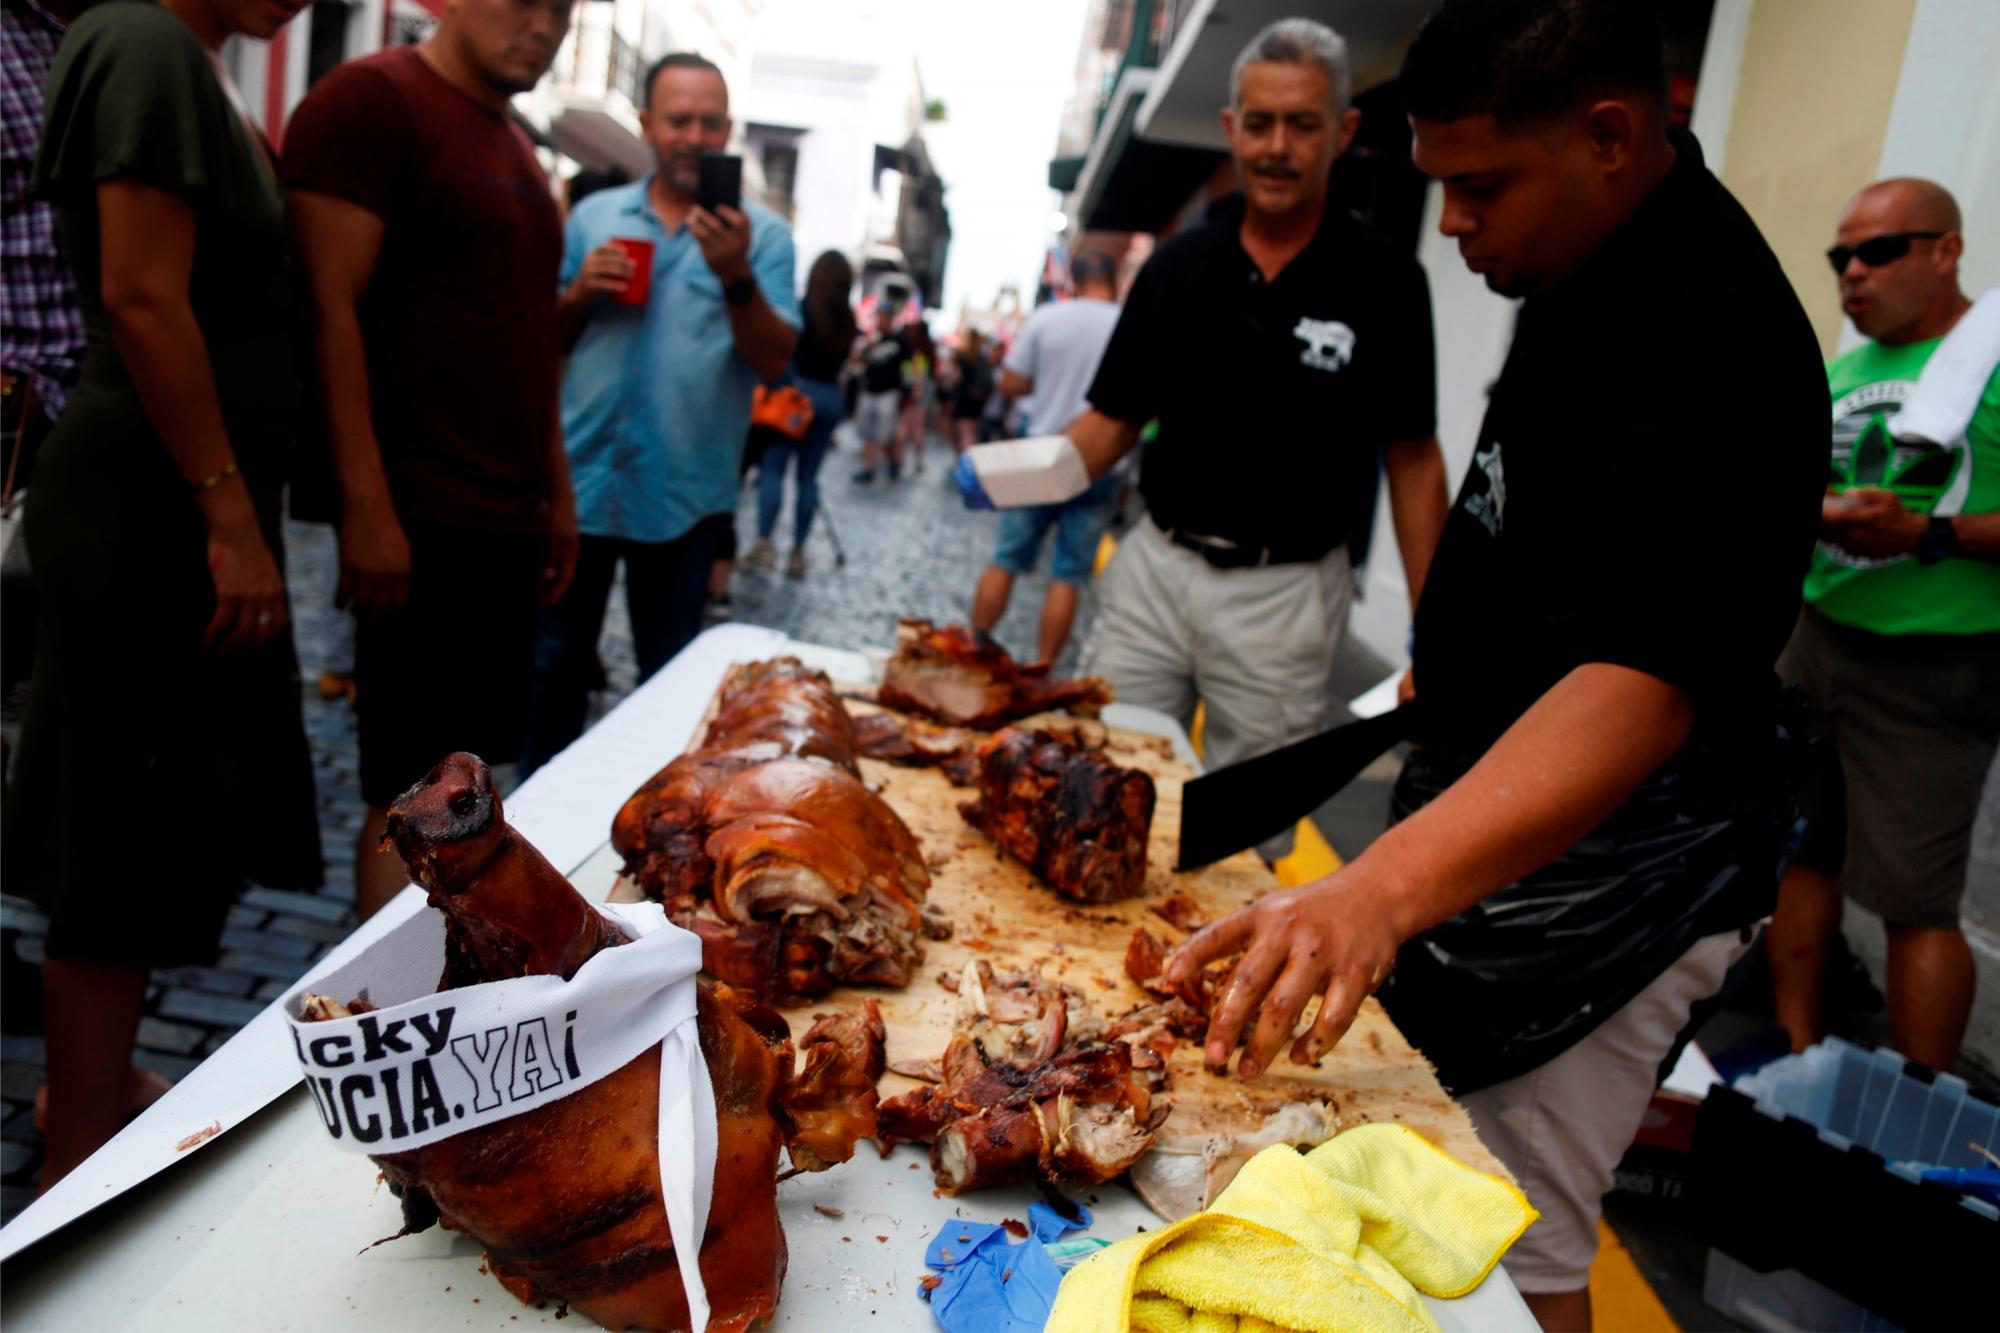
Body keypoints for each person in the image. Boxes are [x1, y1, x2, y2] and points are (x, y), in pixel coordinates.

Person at [1159, 4, 1828, 1327]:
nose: (1453, 224)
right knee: (1417, 1184)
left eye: (1479, 187)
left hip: (1629, 874)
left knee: (1509, 1240)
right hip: (1495, 805)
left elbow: (1643, 682)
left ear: (1609, 135)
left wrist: (1374, 892)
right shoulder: (1579, 258)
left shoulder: (1716, 339)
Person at [960, 17, 1449, 862]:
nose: (1277, 146)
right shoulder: (1179, 266)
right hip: (1155, 571)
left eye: (1302, 124)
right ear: (1231, 128)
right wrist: (1009, 474)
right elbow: (1109, 423)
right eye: (1259, 123)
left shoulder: (1387, 281)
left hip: (1287, 596)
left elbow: (1413, 458)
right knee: (1099, 788)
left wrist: (1437, 627)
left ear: (1344, 130)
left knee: (1244, 835)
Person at [6, 0, 322, 1188]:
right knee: (116, 820)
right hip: (153, 497)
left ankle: (91, 1084)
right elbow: (142, 294)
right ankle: (76, 1137)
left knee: (142, 811)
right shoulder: (139, 39)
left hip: (171, 493)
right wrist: (229, 513)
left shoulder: (177, 58)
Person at [285, 0, 581, 919]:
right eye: (522, 0)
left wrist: (557, 494)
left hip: (503, 515)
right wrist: (363, 502)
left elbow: (528, 340)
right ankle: (382, 1008)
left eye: (562, 9)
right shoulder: (374, 100)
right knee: (409, 789)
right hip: (419, 509)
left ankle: (453, 986)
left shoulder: (518, 147)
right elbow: (326, 309)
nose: (543, 24)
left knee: (474, 780)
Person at [1767, 178, 2000, 1072]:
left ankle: (1921, 1107)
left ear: (1948, 250)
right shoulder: (1848, 366)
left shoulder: (1986, 360)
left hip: (1934, 665)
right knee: (1800, 853)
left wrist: (1930, 532)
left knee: (1913, 899)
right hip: (1818, 636)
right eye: (1840, 257)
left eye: (1880, 251)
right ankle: (1794, 1052)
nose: (1853, 273)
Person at [522, 51, 799, 772]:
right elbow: (542, 342)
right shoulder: (594, 216)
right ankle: (531, 839)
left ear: (729, 130)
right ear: (648, 124)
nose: (694, 136)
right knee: (550, 677)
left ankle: (652, 839)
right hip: (580, 489)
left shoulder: (762, 237)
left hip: (684, 500)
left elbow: (775, 360)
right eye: (679, 120)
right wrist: (579, 294)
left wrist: (735, 276)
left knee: (670, 692)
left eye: (710, 122)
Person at [970, 252, 1126, 662]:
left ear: (1072, 280)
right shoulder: (1128, 324)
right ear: (1114, 280)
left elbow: (1011, 383)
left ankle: (975, 645)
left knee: (1005, 558)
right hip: (1101, 463)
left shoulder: (1049, 318)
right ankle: (1042, 669)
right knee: (1068, 575)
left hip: (1040, 455)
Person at [745, 249, 856, 577]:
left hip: (797, 395)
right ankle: (798, 551)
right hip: (829, 397)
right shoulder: (846, 319)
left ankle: (764, 543)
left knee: (774, 470)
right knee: (808, 477)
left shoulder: (804, 309)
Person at [853, 316, 907, 482]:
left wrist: (911, 387)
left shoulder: (899, 341)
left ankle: (893, 463)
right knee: (869, 432)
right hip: (870, 390)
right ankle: (868, 467)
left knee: (886, 433)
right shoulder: (872, 339)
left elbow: (910, 363)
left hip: (889, 391)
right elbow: (858, 360)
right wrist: (868, 347)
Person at [950, 328, 995, 454]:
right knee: (973, 432)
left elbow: (954, 379)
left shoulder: (962, 358)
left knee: (965, 433)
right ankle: (972, 461)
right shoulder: (982, 358)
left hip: (964, 400)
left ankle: (966, 464)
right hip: (977, 400)